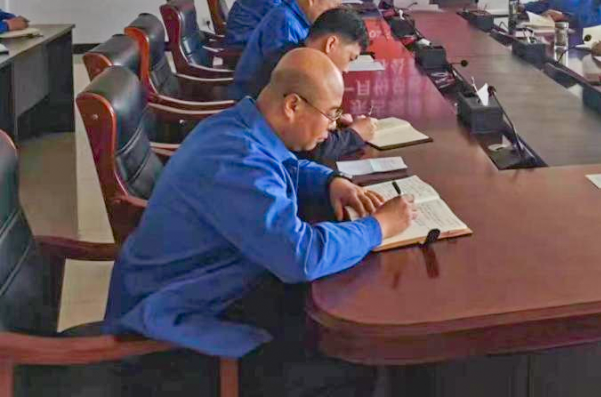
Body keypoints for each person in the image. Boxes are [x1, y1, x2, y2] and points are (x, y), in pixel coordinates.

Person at [104, 49, 416, 395]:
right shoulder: (236, 158)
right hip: (177, 329)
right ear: (293, 105)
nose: (332, 127)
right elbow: (301, 256)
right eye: (330, 114)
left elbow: (284, 166)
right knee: (350, 360)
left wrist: (330, 182)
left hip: (209, 282)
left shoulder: (240, 125)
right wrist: (378, 227)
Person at [237, 7, 376, 164]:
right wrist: (355, 134)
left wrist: (327, 116)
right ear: (331, 44)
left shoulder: (291, 55)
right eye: (350, 58)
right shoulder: (297, 72)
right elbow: (313, 150)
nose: (346, 69)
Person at [230, 0, 343, 100]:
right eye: (328, 11)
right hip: (253, 96)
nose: (328, 18)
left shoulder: (297, 16)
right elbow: (286, 75)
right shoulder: (285, 22)